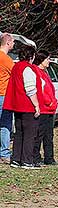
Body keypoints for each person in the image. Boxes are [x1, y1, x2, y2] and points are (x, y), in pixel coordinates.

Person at [2, 45, 41, 169]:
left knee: (19, 133)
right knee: (30, 134)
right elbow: (30, 89)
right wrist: (36, 105)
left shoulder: (16, 67)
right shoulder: (27, 69)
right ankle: (27, 160)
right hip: (27, 105)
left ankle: (16, 159)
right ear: (32, 56)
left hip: (16, 105)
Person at [32, 50, 58, 166]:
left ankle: (49, 157)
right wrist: (49, 101)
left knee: (49, 135)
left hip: (50, 109)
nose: (49, 61)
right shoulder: (37, 72)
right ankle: (36, 157)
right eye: (47, 59)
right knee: (39, 134)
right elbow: (41, 91)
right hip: (43, 108)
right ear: (41, 60)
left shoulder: (45, 72)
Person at [0, 33, 15, 164]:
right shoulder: (6, 59)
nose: (14, 44)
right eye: (13, 42)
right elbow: (16, 74)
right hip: (3, 94)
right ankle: (4, 153)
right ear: (8, 43)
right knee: (5, 125)